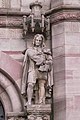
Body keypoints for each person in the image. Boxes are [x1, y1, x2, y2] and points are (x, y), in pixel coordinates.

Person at [21, 34, 53, 105]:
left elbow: (50, 61)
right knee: (30, 84)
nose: (38, 42)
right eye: (36, 40)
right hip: (32, 69)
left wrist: (47, 62)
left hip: (42, 70)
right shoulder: (30, 50)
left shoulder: (46, 51)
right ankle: (29, 101)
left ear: (42, 42)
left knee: (42, 84)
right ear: (34, 41)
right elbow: (33, 56)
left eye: (39, 40)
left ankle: (41, 101)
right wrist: (43, 60)